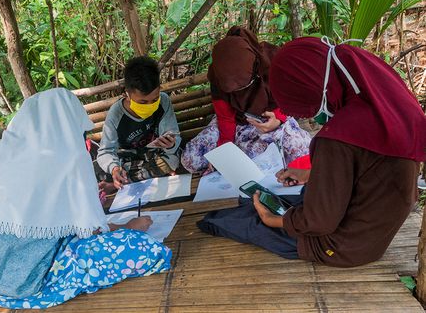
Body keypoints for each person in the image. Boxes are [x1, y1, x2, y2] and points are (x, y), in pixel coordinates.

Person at [199, 36, 426, 267]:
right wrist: (311, 174)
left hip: (340, 245)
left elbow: (318, 222)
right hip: (372, 231)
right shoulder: (383, 100)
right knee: (256, 201)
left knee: (225, 220)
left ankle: (249, 218)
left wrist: (272, 220)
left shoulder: (337, 139)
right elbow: (368, 166)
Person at [0, 88, 171, 309]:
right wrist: (127, 227)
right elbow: (89, 229)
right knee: (143, 248)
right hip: (26, 280)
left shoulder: (0, 152)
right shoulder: (67, 156)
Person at [181, 26, 312, 174]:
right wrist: (224, 151)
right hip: (236, 123)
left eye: (244, 85)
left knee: (300, 150)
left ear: (254, 68)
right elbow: (225, 118)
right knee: (190, 159)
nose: (239, 93)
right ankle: (241, 157)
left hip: (274, 119)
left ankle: (247, 156)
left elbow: (290, 98)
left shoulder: (273, 61)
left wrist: (277, 120)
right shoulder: (217, 75)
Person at [96, 56, 181, 192]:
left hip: (156, 155)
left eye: (155, 99)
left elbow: (174, 137)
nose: (150, 105)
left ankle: (121, 183)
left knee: (171, 159)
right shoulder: (116, 113)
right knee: (109, 169)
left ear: (159, 89)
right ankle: (125, 178)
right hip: (128, 159)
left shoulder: (164, 101)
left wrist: (171, 145)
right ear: (127, 94)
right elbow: (105, 151)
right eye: (142, 102)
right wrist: (115, 168)